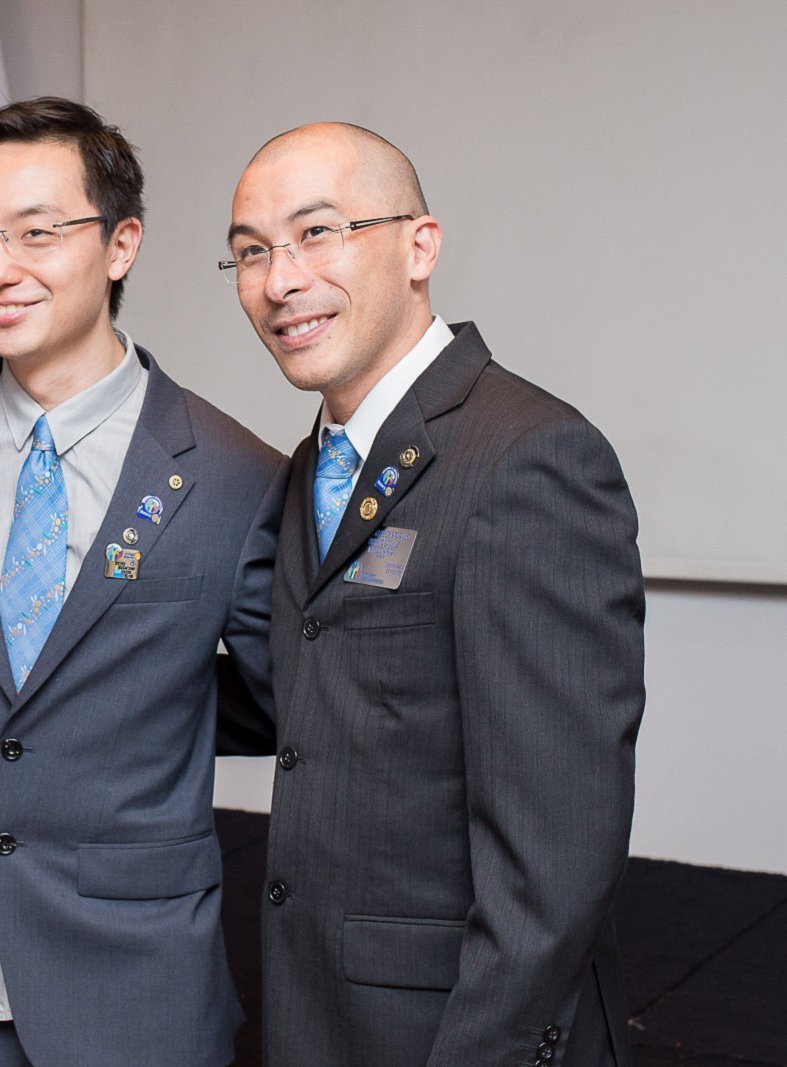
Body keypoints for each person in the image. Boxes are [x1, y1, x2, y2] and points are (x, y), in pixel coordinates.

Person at [0, 97, 285, 1067]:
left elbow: (285, 701)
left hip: (133, 973)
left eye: (36, 232)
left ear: (120, 243)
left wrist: (144, 713)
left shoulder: (235, 475)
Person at [226, 122, 645, 1066]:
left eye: (317, 233)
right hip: (321, 1012)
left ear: (420, 247)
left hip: (457, 1031)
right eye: (251, 251)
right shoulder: (314, 467)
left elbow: (556, 860)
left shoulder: (529, 457)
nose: (280, 280)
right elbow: (310, 695)